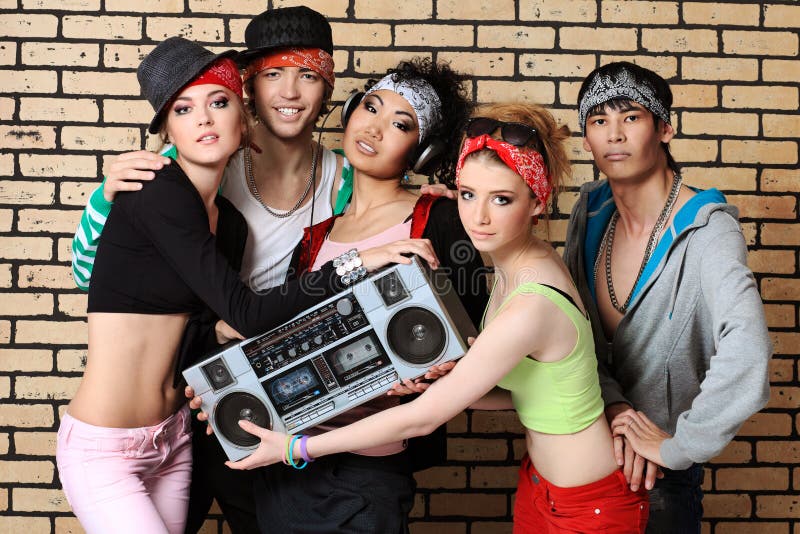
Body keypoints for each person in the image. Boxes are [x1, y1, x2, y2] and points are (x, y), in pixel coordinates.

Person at [201, 102, 651, 533]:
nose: (477, 216)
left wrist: (295, 447)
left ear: (537, 202)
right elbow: (528, 391)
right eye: (470, 194)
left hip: (591, 502)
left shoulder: (531, 303)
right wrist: (445, 379)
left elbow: (422, 420)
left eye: (501, 200)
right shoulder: (518, 263)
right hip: (541, 485)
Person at [56, 36, 431, 534]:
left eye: (218, 102)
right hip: (108, 446)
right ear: (167, 128)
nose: (204, 119)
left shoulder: (228, 222)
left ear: (243, 115)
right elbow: (247, 311)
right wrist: (356, 263)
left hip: (176, 436)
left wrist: (428, 195)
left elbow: (228, 320)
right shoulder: (158, 190)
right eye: (184, 109)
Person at [200, 57, 488, 534]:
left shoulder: (440, 218)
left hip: (364, 469)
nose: (373, 128)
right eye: (369, 108)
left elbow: (478, 335)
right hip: (287, 460)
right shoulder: (316, 234)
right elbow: (283, 335)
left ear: (422, 151)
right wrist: (219, 386)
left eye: (399, 123)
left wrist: (437, 373)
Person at [562, 61, 771, 533]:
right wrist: (615, 405)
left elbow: (749, 349)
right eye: (598, 121)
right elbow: (574, 329)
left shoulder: (708, 230)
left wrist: (681, 446)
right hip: (585, 449)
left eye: (631, 117)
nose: (614, 134)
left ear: (665, 129)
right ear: (587, 138)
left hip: (660, 481)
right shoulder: (590, 211)